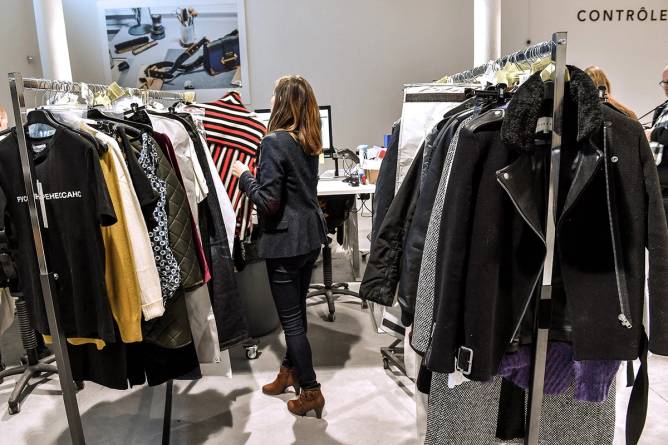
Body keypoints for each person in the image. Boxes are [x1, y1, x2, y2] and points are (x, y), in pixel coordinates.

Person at [231, 75, 327, 418]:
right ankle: (289, 373)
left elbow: (269, 204)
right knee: (296, 313)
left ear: (283, 102)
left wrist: (244, 176)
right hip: (309, 239)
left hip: (285, 243)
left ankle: (311, 390)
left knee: (292, 322)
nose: (269, 100)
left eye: (273, 95)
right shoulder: (308, 141)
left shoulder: (273, 142)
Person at [647, 64, 668, 146]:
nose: (666, 86)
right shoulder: (661, 109)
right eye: (664, 82)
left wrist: (654, 134)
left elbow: (656, 135)